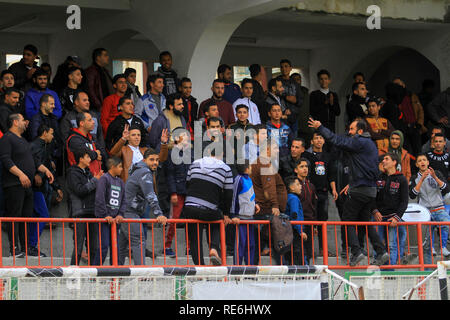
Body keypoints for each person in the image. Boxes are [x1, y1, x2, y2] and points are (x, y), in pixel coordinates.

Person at [308, 117, 389, 266]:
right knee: (365, 222)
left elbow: (338, 141)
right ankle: (381, 250)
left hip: (361, 188)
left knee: (347, 219)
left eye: (351, 129)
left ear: (359, 131)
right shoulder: (369, 143)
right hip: (370, 189)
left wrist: (320, 127)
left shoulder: (359, 141)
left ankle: (357, 252)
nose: (349, 132)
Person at [0, 113, 54, 257]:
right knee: (15, 216)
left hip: (27, 186)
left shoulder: (23, 140)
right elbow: (6, 160)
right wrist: (20, 174)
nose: (26, 122)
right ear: (16, 122)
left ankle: (26, 248)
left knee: (27, 216)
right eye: (23, 120)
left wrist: (45, 169)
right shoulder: (7, 138)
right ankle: (14, 249)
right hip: (14, 184)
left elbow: (34, 161)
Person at [183, 148, 234, 266]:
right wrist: (226, 214)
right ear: (222, 154)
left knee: (195, 240)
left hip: (190, 207)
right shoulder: (225, 169)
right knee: (218, 219)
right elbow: (228, 194)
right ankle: (214, 248)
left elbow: (188, 183)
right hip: (209, 209)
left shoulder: (195, 164)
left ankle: (199, 268)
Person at [118, 148, 167, 265]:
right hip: (130, 211)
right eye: (152, 160)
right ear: (144, 160)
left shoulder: (138, 169)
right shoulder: (144, 172)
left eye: (157, 160)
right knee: (138, 242)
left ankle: (116, 275)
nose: (155, 162)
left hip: (126, 210)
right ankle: (141, 274)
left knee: (121, 246)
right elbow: (150, 195)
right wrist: (159, 214)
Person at [29, 125, 63, 257]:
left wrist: (57, 187)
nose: (53, 136)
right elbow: (32, 163)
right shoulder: (34, 146)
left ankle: (30, 246)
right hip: (33, 188)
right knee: (42, 215)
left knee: (36, 216)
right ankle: (30, 246)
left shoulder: (45, 147)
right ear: (44, 133)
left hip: (39, 188)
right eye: (51, 133)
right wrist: (36, 175)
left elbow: (48, 168)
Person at [410, 154, 450, 263]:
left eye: (424, 160)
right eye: (419, 161)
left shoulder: (436, 173)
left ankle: (442, 246)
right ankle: (428, 266)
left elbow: (446, 189)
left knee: (447, 224)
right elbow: (412, 195)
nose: (422, 162)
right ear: (417, 164)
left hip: (439, 208)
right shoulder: (414, 177)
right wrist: (421, 180)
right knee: (427, 242)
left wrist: (435, 178)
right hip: (425, 211)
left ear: (428, 162)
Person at [250, 141, 287, 258]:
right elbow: (268, 187)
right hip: (266, 211)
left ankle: (252, 271)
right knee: (277, 245)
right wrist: (275, 205)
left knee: (258, 244)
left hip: (261, 209)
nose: (278, 151)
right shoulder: (264, 163)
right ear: (266, 150)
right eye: (275, 148)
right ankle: (280, 272)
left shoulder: (257, 163)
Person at [67, 149, 103, 265]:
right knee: (78, 246)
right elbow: (80, 191)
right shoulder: (73, 173)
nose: (90, 159)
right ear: (80, 159)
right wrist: (95, 181)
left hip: (92, 212)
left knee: (94, 246)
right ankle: (73, 274)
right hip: (80, 212)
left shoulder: (88, 173)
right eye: (87, 157)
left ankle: (92, 275)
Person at [373, 152, 409, 265]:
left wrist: (397, 217)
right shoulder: (378, 177)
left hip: (392, 218)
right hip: (378, 217)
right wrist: (375, 211)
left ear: (394, 162)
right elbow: (372, 197)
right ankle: (379, 272)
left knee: (392, 245)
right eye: (383, 159)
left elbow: (404, 202)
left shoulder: (402, 179)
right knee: (378, 246)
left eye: (386, 159)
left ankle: (391, 271)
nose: (383, 161)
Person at [305, 131, 338, 256]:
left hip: (324, 193)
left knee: (323, 221)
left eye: (321, 138)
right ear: (312, 141)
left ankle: (322, 250)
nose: (319, 140)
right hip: (310, 193)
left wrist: (333, 190)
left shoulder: (327, 156)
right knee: (310, 221)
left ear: (324, 141)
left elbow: (331, 175)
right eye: (316, 138)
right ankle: (310, 250)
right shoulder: (307, 155)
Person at [162, 129, 191, 257]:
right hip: (178, 192)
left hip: (189, 191)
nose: (186, 137)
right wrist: (173, 192)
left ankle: (190, 247)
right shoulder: (171, 153)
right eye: (183, 135)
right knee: (173, 219)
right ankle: (167, 246)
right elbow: (169, 175)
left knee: (190, 220)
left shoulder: (190, 153)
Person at [93, 157, 127, 265]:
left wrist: (120, 214)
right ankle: (94, 273)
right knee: (103, 247)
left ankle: (114, 274)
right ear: (113, 167)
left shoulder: (121, 182)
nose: (122, 169)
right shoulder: (104, 179)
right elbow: (100, 198)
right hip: (104, 220)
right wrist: (105, 215)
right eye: (120, 166)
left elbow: (124, 199)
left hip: (115, 221)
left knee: (115, 248)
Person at [60, 91, 107, 161]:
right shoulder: (68, 118)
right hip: (80, 159)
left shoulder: (94, 116)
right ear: (76, 102)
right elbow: (66, 142)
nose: (88, 102)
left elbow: (100, 137)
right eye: (84, 100)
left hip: (98, 156)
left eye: (88, 100)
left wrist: (102, 155)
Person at [230, 162, 259, 265]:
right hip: (241, 219)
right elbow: (234, 198)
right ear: (246, 168)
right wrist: (233, 215)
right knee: (240, 245)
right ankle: (237, 268)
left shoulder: (249, 179)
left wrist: (255, 204)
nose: (251, 168)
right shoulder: (238, 179)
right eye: (250, 166)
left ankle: (249, 268)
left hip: (250, 218)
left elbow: (249, 195)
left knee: (251, 244)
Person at [279, 176, 307, 265]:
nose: (301, 186)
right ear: (291, 187)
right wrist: (300, 231)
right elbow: (294, 215)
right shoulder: (294, 198)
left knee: (290, 256)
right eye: (298, 184)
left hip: (288, 231)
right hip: (294, 231)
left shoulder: (288, 197)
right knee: (298, 256)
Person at [393, 77, 424, 156]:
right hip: (403, 128)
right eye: (395, 85)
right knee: (407, 151)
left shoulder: (412, 96)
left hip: (415, 126)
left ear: (403, 85)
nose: (397, 86)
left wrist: (419, 124)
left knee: (418, 150)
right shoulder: (394, 99)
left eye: (398, 84)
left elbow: (420, 110)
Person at [294, 158, 318, 264]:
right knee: (298, 251)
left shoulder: (311, 186)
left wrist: (315, 225)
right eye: (302, 167)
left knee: (308, 251)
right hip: (298, 222)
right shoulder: (294, 185)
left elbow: (314, 206)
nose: (305, 169)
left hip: (310, 222)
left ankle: (307, 274)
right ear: (296, 170)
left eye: (306, 166)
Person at [277, 59, 302, 135]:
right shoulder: (277, 81)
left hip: (293, 117)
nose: (284, 69)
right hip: (280, 117)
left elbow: (300, 101)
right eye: (282, 67)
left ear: (291, 68)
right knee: (282, 142)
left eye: (286, 66)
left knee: (294, 141)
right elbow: (274, 98)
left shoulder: (295, 83)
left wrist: (291, 109)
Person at [291, 72, 312, 144]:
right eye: (294, 80)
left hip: (305, 125)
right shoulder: (289, 93)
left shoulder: (306, 93)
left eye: (298, 79)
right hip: (294, 125)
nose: (297, 81)